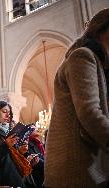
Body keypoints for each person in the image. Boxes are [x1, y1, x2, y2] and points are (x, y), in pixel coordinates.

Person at [44, 8, 109, 188]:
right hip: (77, 166)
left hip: (91, 165)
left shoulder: (97, 62)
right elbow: (89, 113)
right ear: (103, 29)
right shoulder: (83, 56)